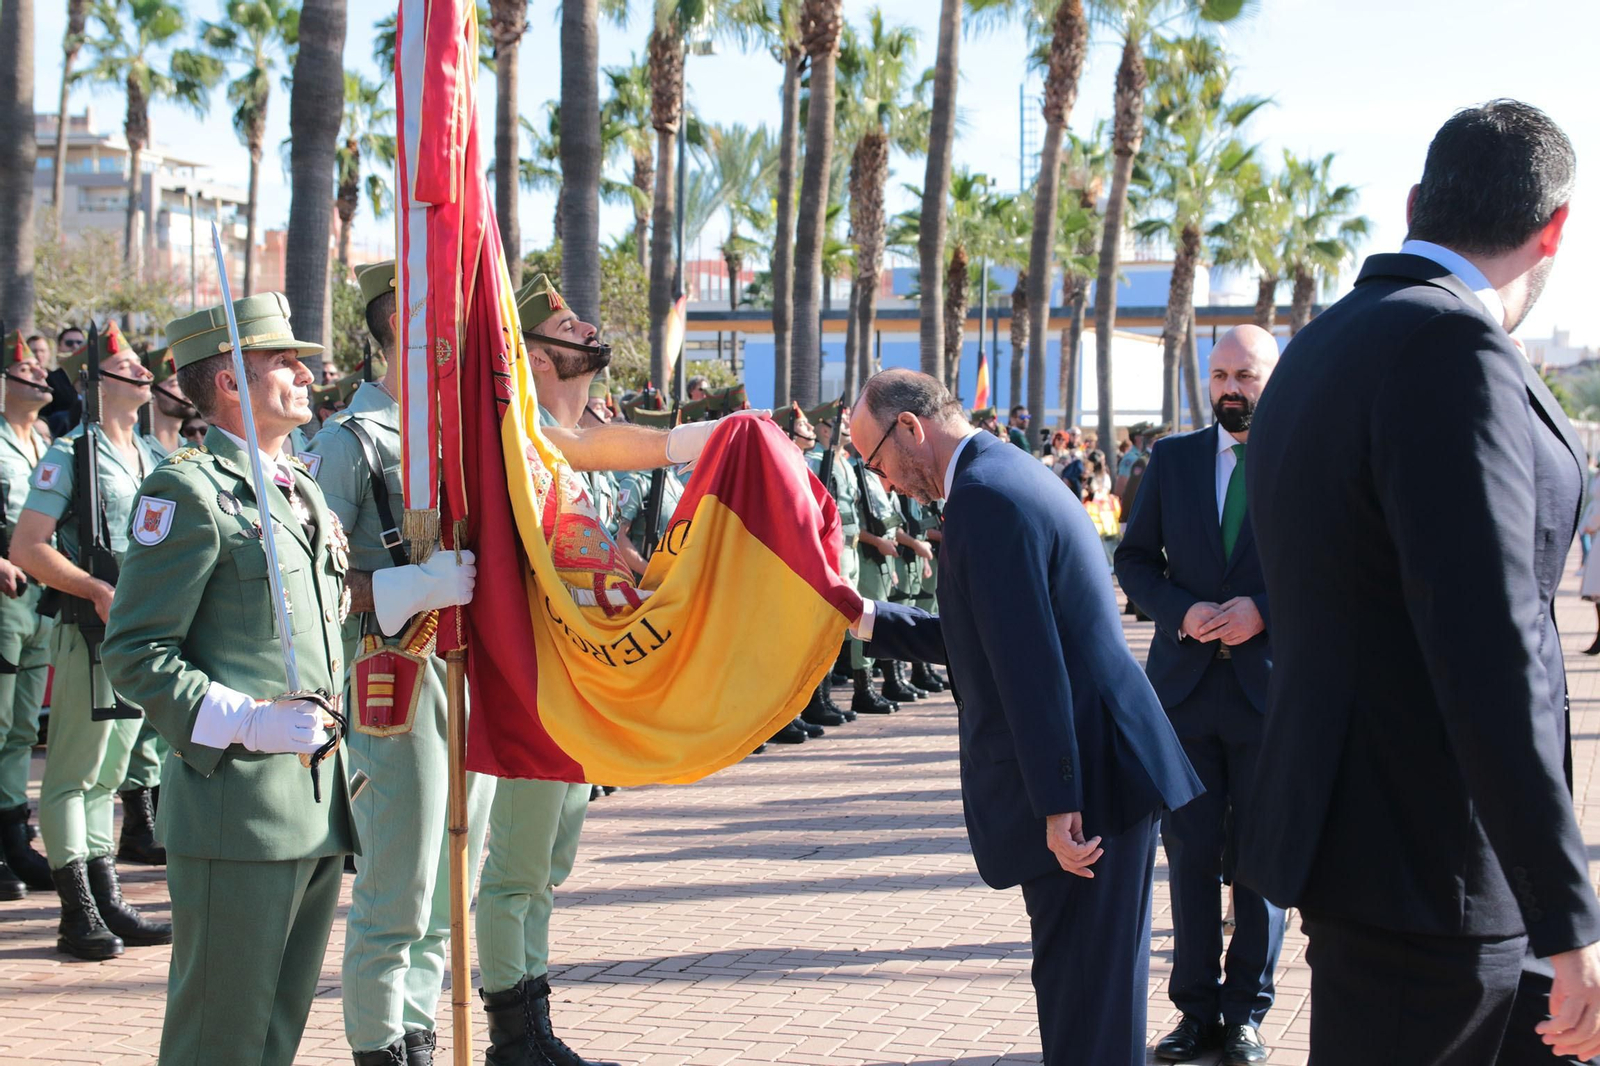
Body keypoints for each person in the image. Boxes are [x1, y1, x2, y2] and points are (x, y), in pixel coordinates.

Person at [1242, 100, 1600, 1065]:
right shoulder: (1451, 347)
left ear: (1414, 204)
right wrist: (1569, 916)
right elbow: (1490, 646)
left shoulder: (1327, 342)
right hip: (1438, 863)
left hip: (1378, 851)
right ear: (1554, 227)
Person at [848, 369, 1201, 1066]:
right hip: (1105, 767)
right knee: (1090, 998)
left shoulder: (986, 499)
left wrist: (1057, 803)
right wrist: (863, 618)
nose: (883, 479)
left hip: (1090, 785)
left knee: (1084, 1006)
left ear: (911, 427)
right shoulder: (1001, 477)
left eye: (876, 458)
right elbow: (983, 634)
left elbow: (1031, 668)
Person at [101, 292, 407, 1065]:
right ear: (232, 383)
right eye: (285, 362)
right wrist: (244, 719)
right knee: (219, 1039)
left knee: (273, 1034)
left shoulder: (298, 490)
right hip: (237, 807)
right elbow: (135, 650)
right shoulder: (188, 491)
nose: (307, 374)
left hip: (314, 801)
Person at [475, 272, 712, 1066]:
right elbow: (576, 446)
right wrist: (684, 443)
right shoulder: (526, 437)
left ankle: (536, 1025)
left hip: (579, 681)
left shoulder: (573, 456)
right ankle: (514, 1036)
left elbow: (605, 539)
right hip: (536, 683)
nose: (588, 332)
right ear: (536, 357)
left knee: (548, 861)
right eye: (570, 327)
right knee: (516, 862)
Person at [306, 262, 494, 1066]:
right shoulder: (350, 442)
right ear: (399, 332)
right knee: (398, 889)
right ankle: (381, 1044)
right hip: (393, 677)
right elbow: (311, 583)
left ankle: (418, 1032)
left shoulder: (455, 435)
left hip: (464, 676)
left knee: (455, 883)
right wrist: (408, 585)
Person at [1115, 324, 1283, 1066]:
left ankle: (1247, 1012)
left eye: (1244, 376)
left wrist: (1264, 611)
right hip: (1182, 694)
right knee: (1187, 854)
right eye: (1219, 375)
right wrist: (1179, 611)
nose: (1229, 389)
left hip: (1269, 694)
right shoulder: (1174, 460)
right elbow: (1133, 560)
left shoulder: (1304, 460)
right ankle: (1195, 1012)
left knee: (1260, 860)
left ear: (1273, 379)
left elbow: (1335, 562)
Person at [11, 321, 170, 960]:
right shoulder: (69, 453)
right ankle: (77, 910)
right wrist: (95, 591)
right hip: (91, 630)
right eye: (128, 367)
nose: (143, 374)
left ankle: (106, 897)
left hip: (141, 632)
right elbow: (29, 546)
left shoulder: (154, 457)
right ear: (98, 380)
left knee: (110, 771)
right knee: (74, 773)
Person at [0, 347, 59, 896]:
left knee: (22, 726)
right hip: (3, 593)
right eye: (25, 370)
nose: (40, 375)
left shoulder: (44, 442)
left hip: (38, 598)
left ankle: (14, 834)